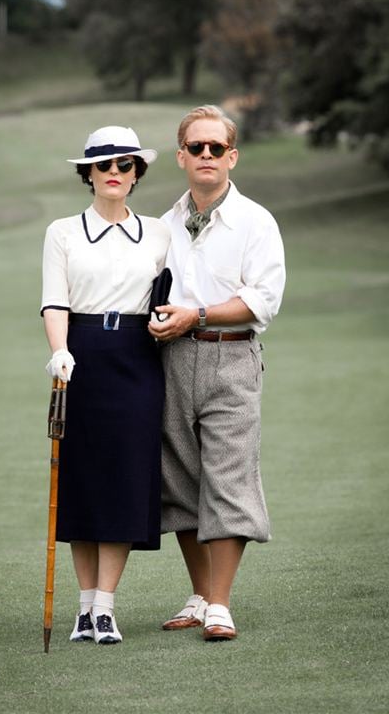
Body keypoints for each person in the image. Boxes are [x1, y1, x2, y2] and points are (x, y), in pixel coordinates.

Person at [149, 105, 285, 642]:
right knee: (181, 481)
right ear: (181, 156)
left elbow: (263, 300)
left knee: (228, 479)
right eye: (196, 147)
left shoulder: (257, 220)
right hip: (173, 360)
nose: (207, 156)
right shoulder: (160, 227)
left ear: (232, 156)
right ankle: (201, 594)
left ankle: (221, 604)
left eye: (216, 148)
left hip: (232, 356)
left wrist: (197, 314)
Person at [41, 126, 170, 645]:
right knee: (84, 478)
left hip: (139, 358)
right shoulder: (63, 232)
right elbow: (55, 301)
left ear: (137, 173)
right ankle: (82, 607)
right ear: (88, 174)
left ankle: (106, 609)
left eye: (125, 165)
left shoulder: (159, 232)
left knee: (124, 478)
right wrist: (59, 350)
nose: (115, 173)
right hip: (81, 357)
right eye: (104, 166)